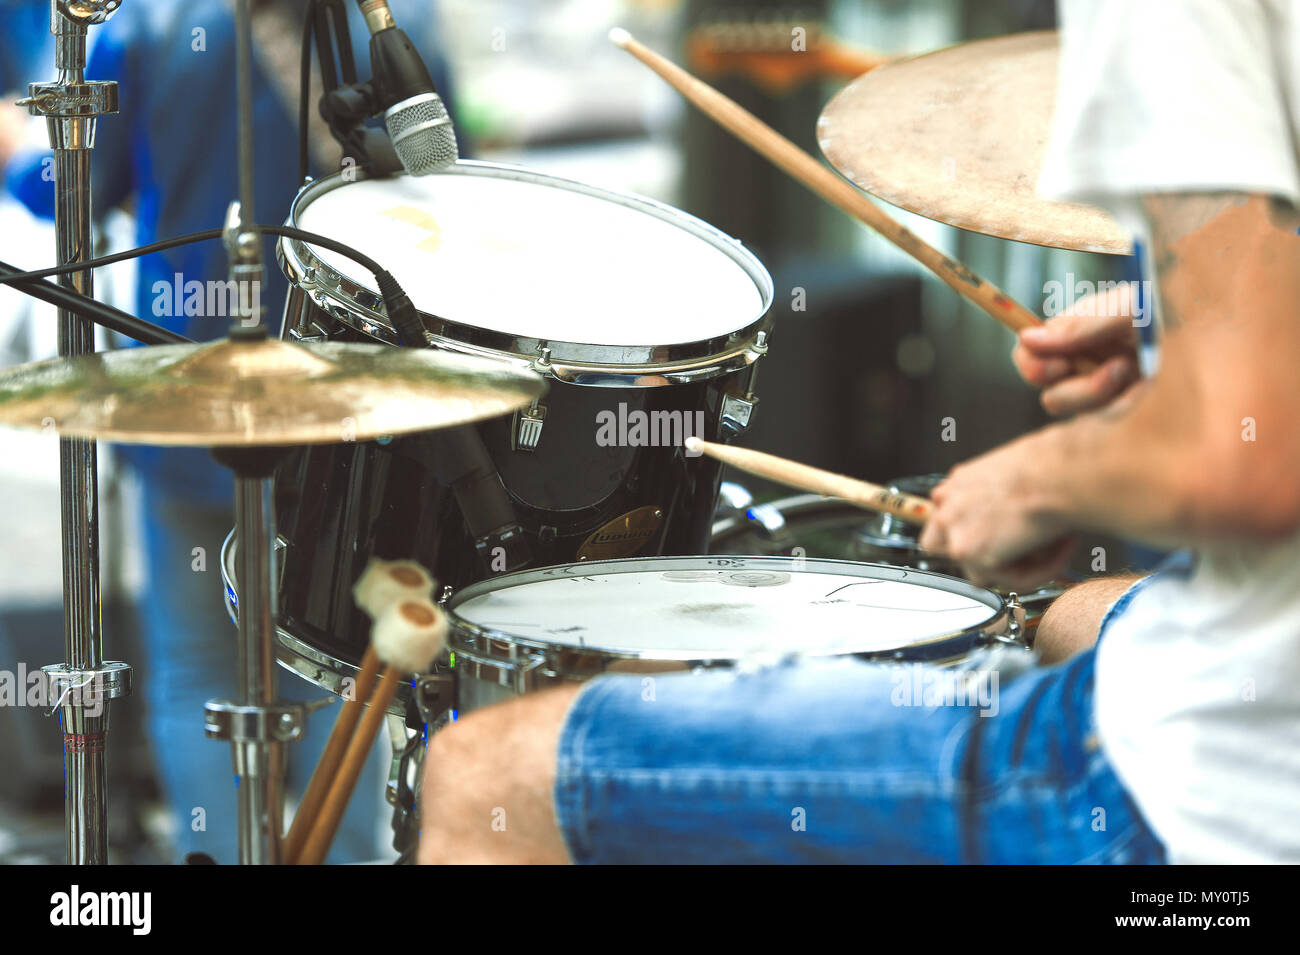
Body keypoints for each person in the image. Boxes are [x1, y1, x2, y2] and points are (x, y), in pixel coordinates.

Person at [416, 0, 1300, 864]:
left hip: (1215, 796)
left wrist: (1036, 481)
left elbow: (1253, 453)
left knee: (488, 770)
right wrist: (1186, 325)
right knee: (1052, 614)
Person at [1, 0, 458, 862]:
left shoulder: (155, 25)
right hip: (347, 421)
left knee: (198, 672)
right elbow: (445, 188)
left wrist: (18, 152)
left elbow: (71, 187)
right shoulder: (399, 27)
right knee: (343, 673)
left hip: (187, 407)